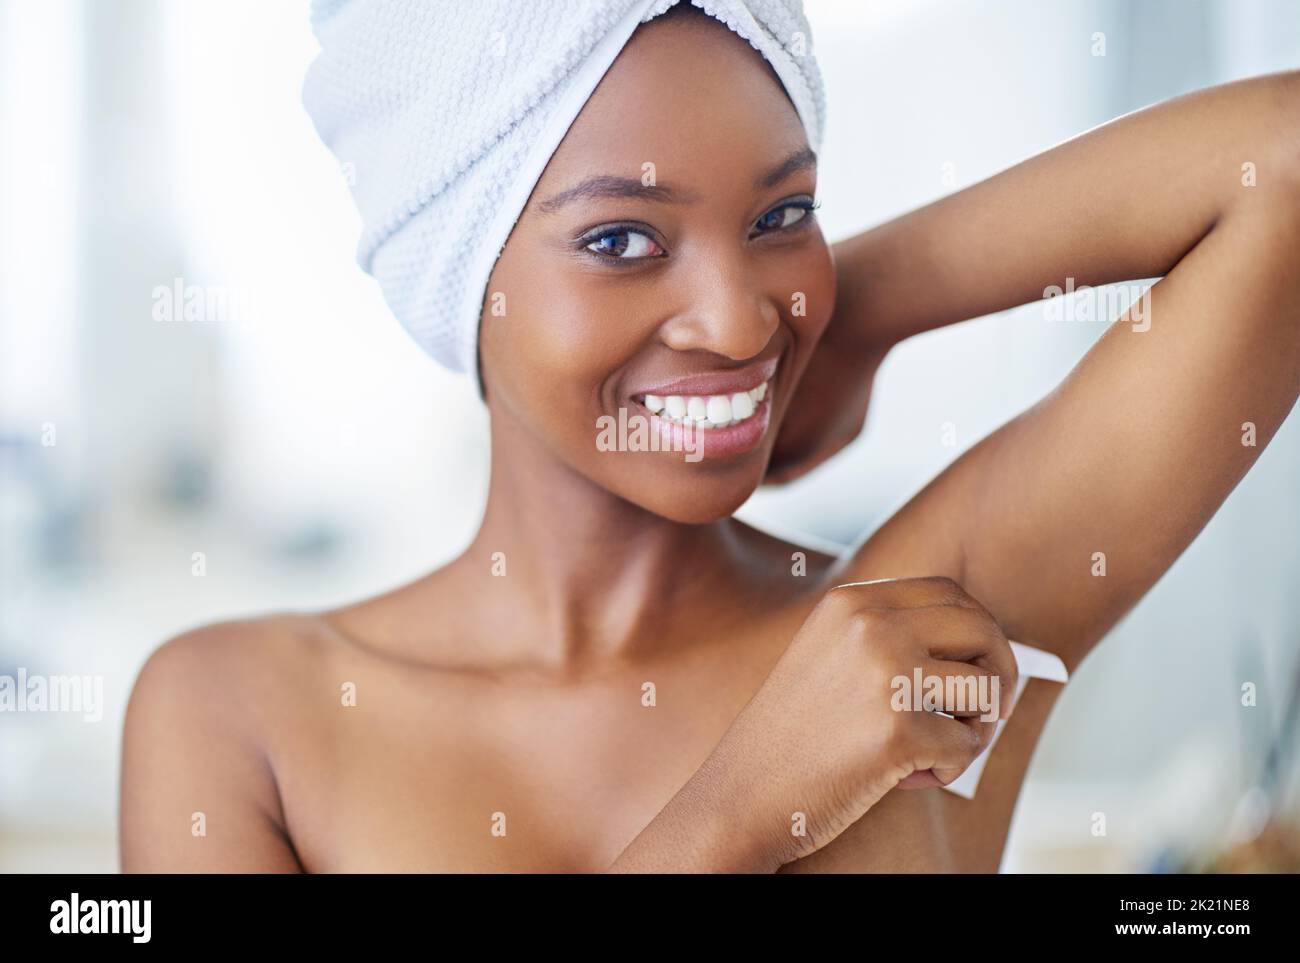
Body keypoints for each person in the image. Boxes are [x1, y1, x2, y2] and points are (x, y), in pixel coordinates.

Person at [120, 1, 1300, 872]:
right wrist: (740, 809)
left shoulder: (918, 626)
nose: (734, 317)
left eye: (781, 216)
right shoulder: (238, 716)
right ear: (456, 275)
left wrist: (847, 319)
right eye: (622, 240)